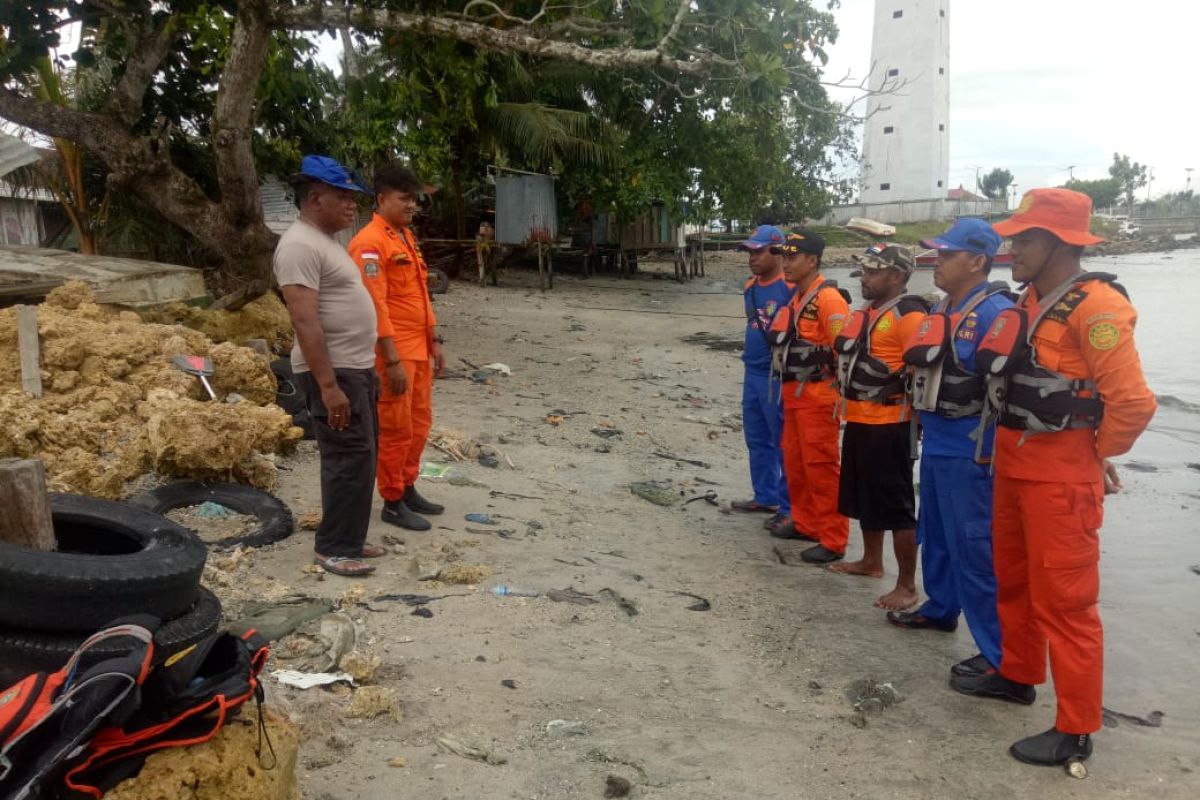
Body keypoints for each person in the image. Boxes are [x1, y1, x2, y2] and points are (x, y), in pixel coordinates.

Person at [951, 189, 1156, 767]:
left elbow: (1134, 403)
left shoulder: (1098, 307)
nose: (1010, 249)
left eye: (1023, 239)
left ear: (1055, 243)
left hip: (1061, 480)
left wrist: (1095, 452)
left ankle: (1076, 727)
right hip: (1014, 466)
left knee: (1066, 603)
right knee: (1012, 579)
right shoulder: (1033, 300)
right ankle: (1016, 673)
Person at [890, 218, 1013, 681]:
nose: (936, 262)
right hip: (937, 442)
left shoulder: (994, 313)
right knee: (935, 535)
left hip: (972, 450)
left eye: (946, 255)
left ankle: (999, 654)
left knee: (975, 548)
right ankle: (940, 607)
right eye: (936, 254)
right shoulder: (943, 308)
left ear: (977, 261)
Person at [273, 155, 382, 577]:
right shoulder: (299, 245)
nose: (352, 205)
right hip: (334, 372)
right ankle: (333, 547)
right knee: (346, 456)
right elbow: (304, 319)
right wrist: (329, 385)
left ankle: (350, 537)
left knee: (361, 456)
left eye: (353, 197)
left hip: (355, 367)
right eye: (343, 196)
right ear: (315, 199)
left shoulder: (324, 241)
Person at [348, 163, 446, 531]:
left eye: (414, 200)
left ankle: (407, 486)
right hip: (395, 354)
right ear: (382, 199)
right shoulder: (369, 244)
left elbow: (421, 294)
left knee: (419, 424)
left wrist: (435, 339)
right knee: (395, 428)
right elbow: (375, 306)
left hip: (418, 348)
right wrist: (390, 360)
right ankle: (391, 500)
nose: (412, 206)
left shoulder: (404, 237)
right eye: (405, 199)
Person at [830, 245, 927, 607]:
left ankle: (907, 585)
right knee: (864, 495)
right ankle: (871, 561)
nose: (864, 280)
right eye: (864, 274)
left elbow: (919, 370)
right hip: (859, 419)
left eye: (872, 274)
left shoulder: (909, 313)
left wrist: (917, 426)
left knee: (897, 506)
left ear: (897, 277)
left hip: (891, 424)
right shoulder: (869, 312)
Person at [765, 231, 851, 560]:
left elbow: (843, 349)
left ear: (812, 260)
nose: (785, 262)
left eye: (792, 256)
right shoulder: (799, 297)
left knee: (821, 467)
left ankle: (833, 538)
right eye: (783, 256)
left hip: (818, 397)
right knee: (796, 462)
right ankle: (806, 522)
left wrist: (838, 396)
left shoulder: (828, 299)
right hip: (794, 395)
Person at [731, 225, 792, 528]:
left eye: (759, 251)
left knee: (783, 440)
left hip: (776, 375)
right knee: (756, 438)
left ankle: (788, 504)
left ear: (778, 252)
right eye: (750, 252)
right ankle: (765, 494)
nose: (752, 258)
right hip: (752, 370)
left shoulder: (791, 288)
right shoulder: (750, 287)